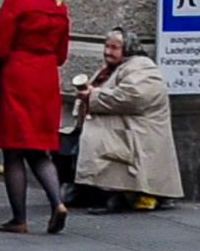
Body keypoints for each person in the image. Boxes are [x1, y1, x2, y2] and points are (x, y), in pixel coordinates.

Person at [0, 0, 74, 234]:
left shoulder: (16, 2)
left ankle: (19, 218)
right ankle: (56, 201)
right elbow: (61, 55)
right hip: (46, 80)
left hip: (17, 78)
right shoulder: (58, 6)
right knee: (39, 150)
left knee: (13, 151)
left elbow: (0, 47)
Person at [69, 30, 183, 212]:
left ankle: (110, 194)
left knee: (99, 140)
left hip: (138, 132)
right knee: (74, 140)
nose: (107, 52)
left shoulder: (143, 67)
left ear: (128, 49)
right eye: (106, 46)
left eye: (114, 47)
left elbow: (134, 97)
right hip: (123, 126)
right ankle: (85, 188)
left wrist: (93, 96)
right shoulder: (113, 68)